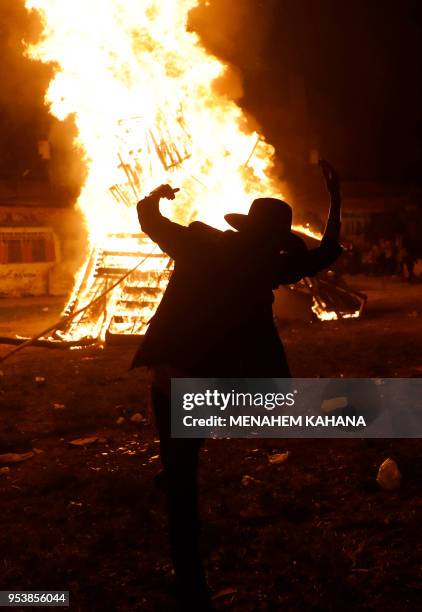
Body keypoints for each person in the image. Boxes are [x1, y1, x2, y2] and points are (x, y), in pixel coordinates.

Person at [132, 160, 343, 610]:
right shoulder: (268, 266)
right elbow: (326, 252)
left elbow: (148, 218)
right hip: (214, 383)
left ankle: (190, 579)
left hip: (172, 377)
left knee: (182, 482)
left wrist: (158, 194)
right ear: (273, 240)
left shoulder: (196, 244)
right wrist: (335, 198)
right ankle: (178, 471)